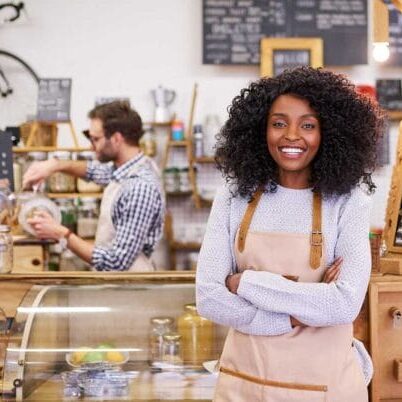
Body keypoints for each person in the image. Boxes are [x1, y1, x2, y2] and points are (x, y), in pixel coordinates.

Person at [196, 66, 385, 401]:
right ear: (260, 129)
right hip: (245, 385)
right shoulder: (233, 196)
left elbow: (343, 305)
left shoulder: (349, 202)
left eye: (308, 125)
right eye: (279, 122)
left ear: (329, 133)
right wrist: (296, 316)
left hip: (324, 389)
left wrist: (246, 284)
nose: (292, 136)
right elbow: (209, 298)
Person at [23, 101, 164, 271]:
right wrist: (55, 164)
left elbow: (116, 262)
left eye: (96, 139)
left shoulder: (139, 187)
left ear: (116, 139)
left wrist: (60, 233)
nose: (91, 146)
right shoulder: (125, 169)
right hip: (116, 286)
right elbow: (93, 171)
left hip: (129, 288)